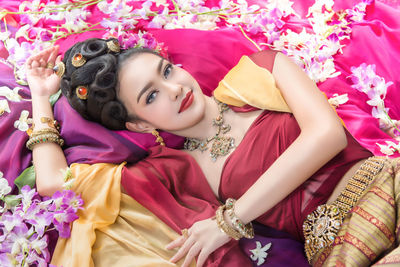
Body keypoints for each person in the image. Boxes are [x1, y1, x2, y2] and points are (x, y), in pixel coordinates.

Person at [25, 38, 400, 267]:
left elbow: (326, 136)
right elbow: (57, 184)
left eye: (167, 71)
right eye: (151, 96)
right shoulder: (180, 169)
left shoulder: (261, 71)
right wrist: (41, 98)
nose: (174, 89)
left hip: (387, 188)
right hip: (341, 252)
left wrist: (227, 222)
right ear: (140, 125)